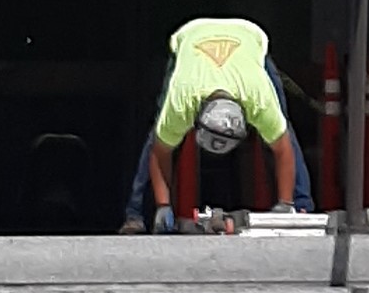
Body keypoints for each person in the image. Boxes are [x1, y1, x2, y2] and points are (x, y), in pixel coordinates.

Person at [117, 16, 314, 232]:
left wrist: (284, 205)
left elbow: (282, 149)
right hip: (190, 37)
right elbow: (161, 151)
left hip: (249, 38)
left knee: (281, 127)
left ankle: (298, 207)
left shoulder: (259, 99)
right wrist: (164, 204)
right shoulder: (182, 100)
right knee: (161, 129)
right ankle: (137, 213)